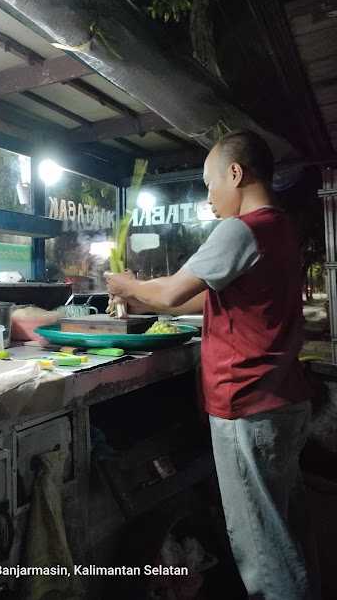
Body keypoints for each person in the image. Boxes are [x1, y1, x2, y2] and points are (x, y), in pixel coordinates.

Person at [106, 130, 318, 600]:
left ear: (236, 174)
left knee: (262, 551)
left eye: (209, 183)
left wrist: (128, 286)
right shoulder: (279, 227)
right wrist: (146, 300)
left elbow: (171, 291)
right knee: (286, 532)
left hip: (248, 405)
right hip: (282, 401)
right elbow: (205, 298)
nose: (208, 197)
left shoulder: (240, 228)